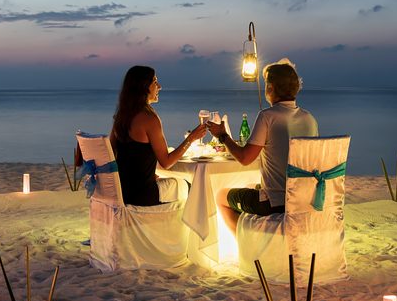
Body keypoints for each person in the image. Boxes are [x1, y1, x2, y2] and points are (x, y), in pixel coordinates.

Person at [206, 58, 318, 235]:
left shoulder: (268, 116)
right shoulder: (309, 118)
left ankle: (246, 248)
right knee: (251, 184)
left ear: (270, 88)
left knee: (221, 196)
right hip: (304, 200)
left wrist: (222, 136)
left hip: (274, 204)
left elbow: (245, 158)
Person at [110, 65, 206, 206]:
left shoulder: (121, 117)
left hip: (123, 191)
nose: (159, 86)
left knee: (171, 181)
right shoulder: (149, 118)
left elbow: (112, 154)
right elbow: (166, 162)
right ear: (143, 87)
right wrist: (191, 138)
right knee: (191, 187)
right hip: (143, 195)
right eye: (155, 82)